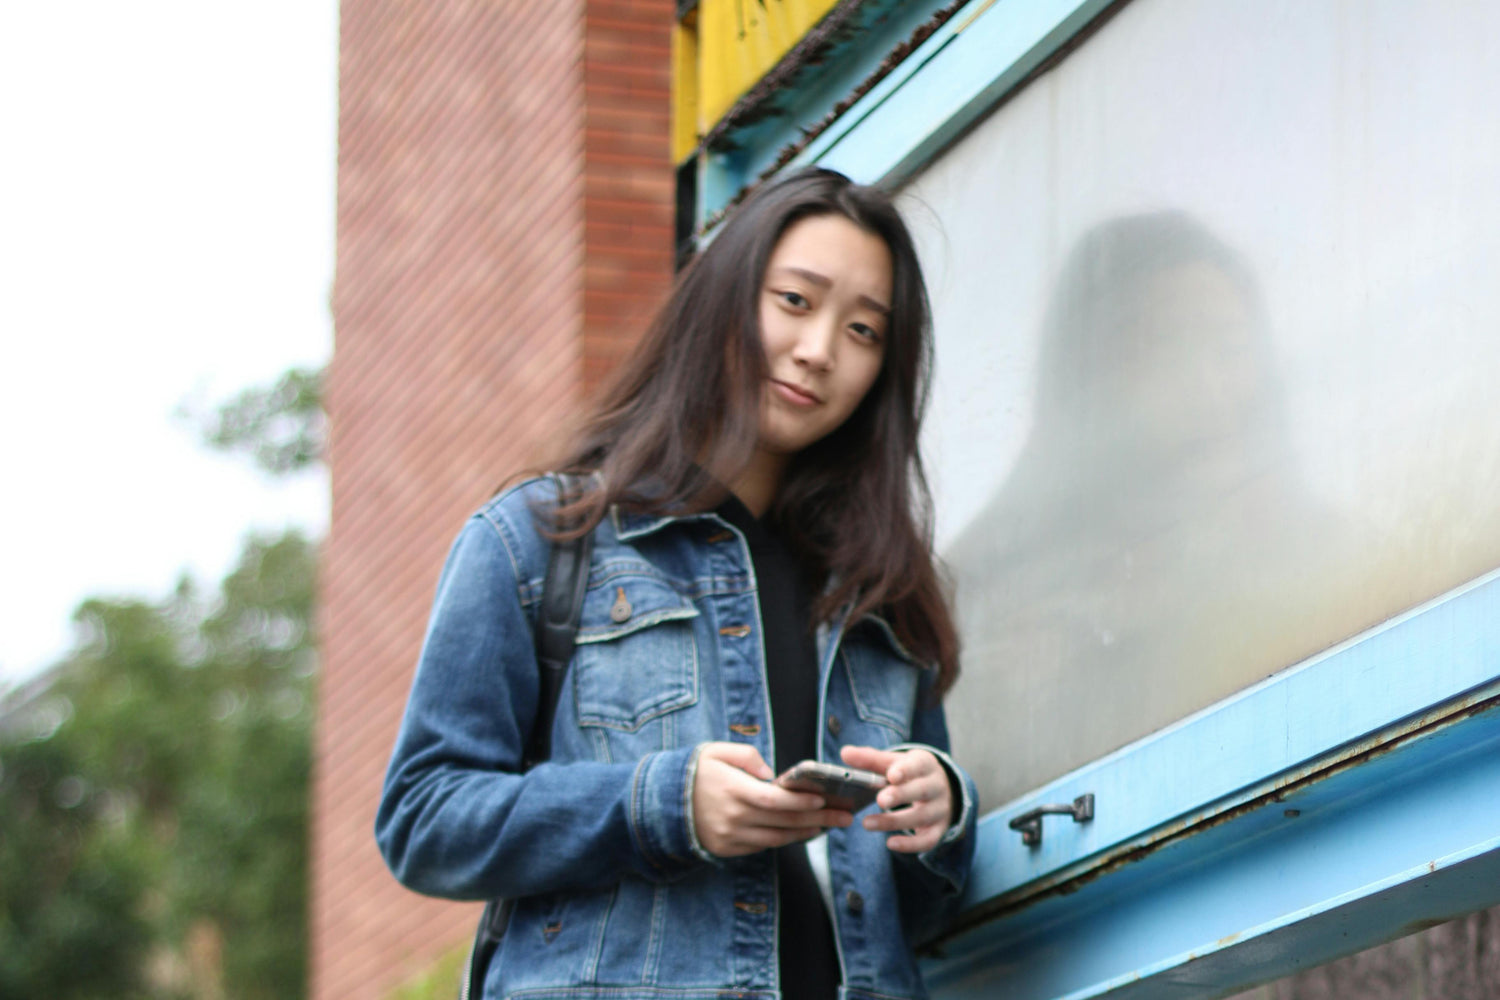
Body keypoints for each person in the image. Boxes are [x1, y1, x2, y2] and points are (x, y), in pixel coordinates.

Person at [375, 167, 978, 1000]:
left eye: (865, 331)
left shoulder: (882, 598)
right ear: (726, 297)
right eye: (796, 302)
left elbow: (917, 916)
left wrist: (941, 816)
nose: (819, 351)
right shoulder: (538, 539)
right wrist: (663, 804)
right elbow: (424, 818)